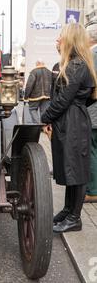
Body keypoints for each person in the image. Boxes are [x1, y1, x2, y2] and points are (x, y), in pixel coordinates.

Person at [41, 23, 97, 233]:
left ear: (71, 40)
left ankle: (75, 217)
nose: (57, 40)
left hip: (72, 122)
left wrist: (43, 119)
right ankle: (68, 210)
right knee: (71, 168)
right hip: (71, 120)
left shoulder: (76, 66)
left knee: (77, 170)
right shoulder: (75, 64)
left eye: (60, 37)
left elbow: (63, 100)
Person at [84, 20, 97, 203]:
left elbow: (89, 83)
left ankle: (93, 190)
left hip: (94, 109)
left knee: (92, 149)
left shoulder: (93, 54)